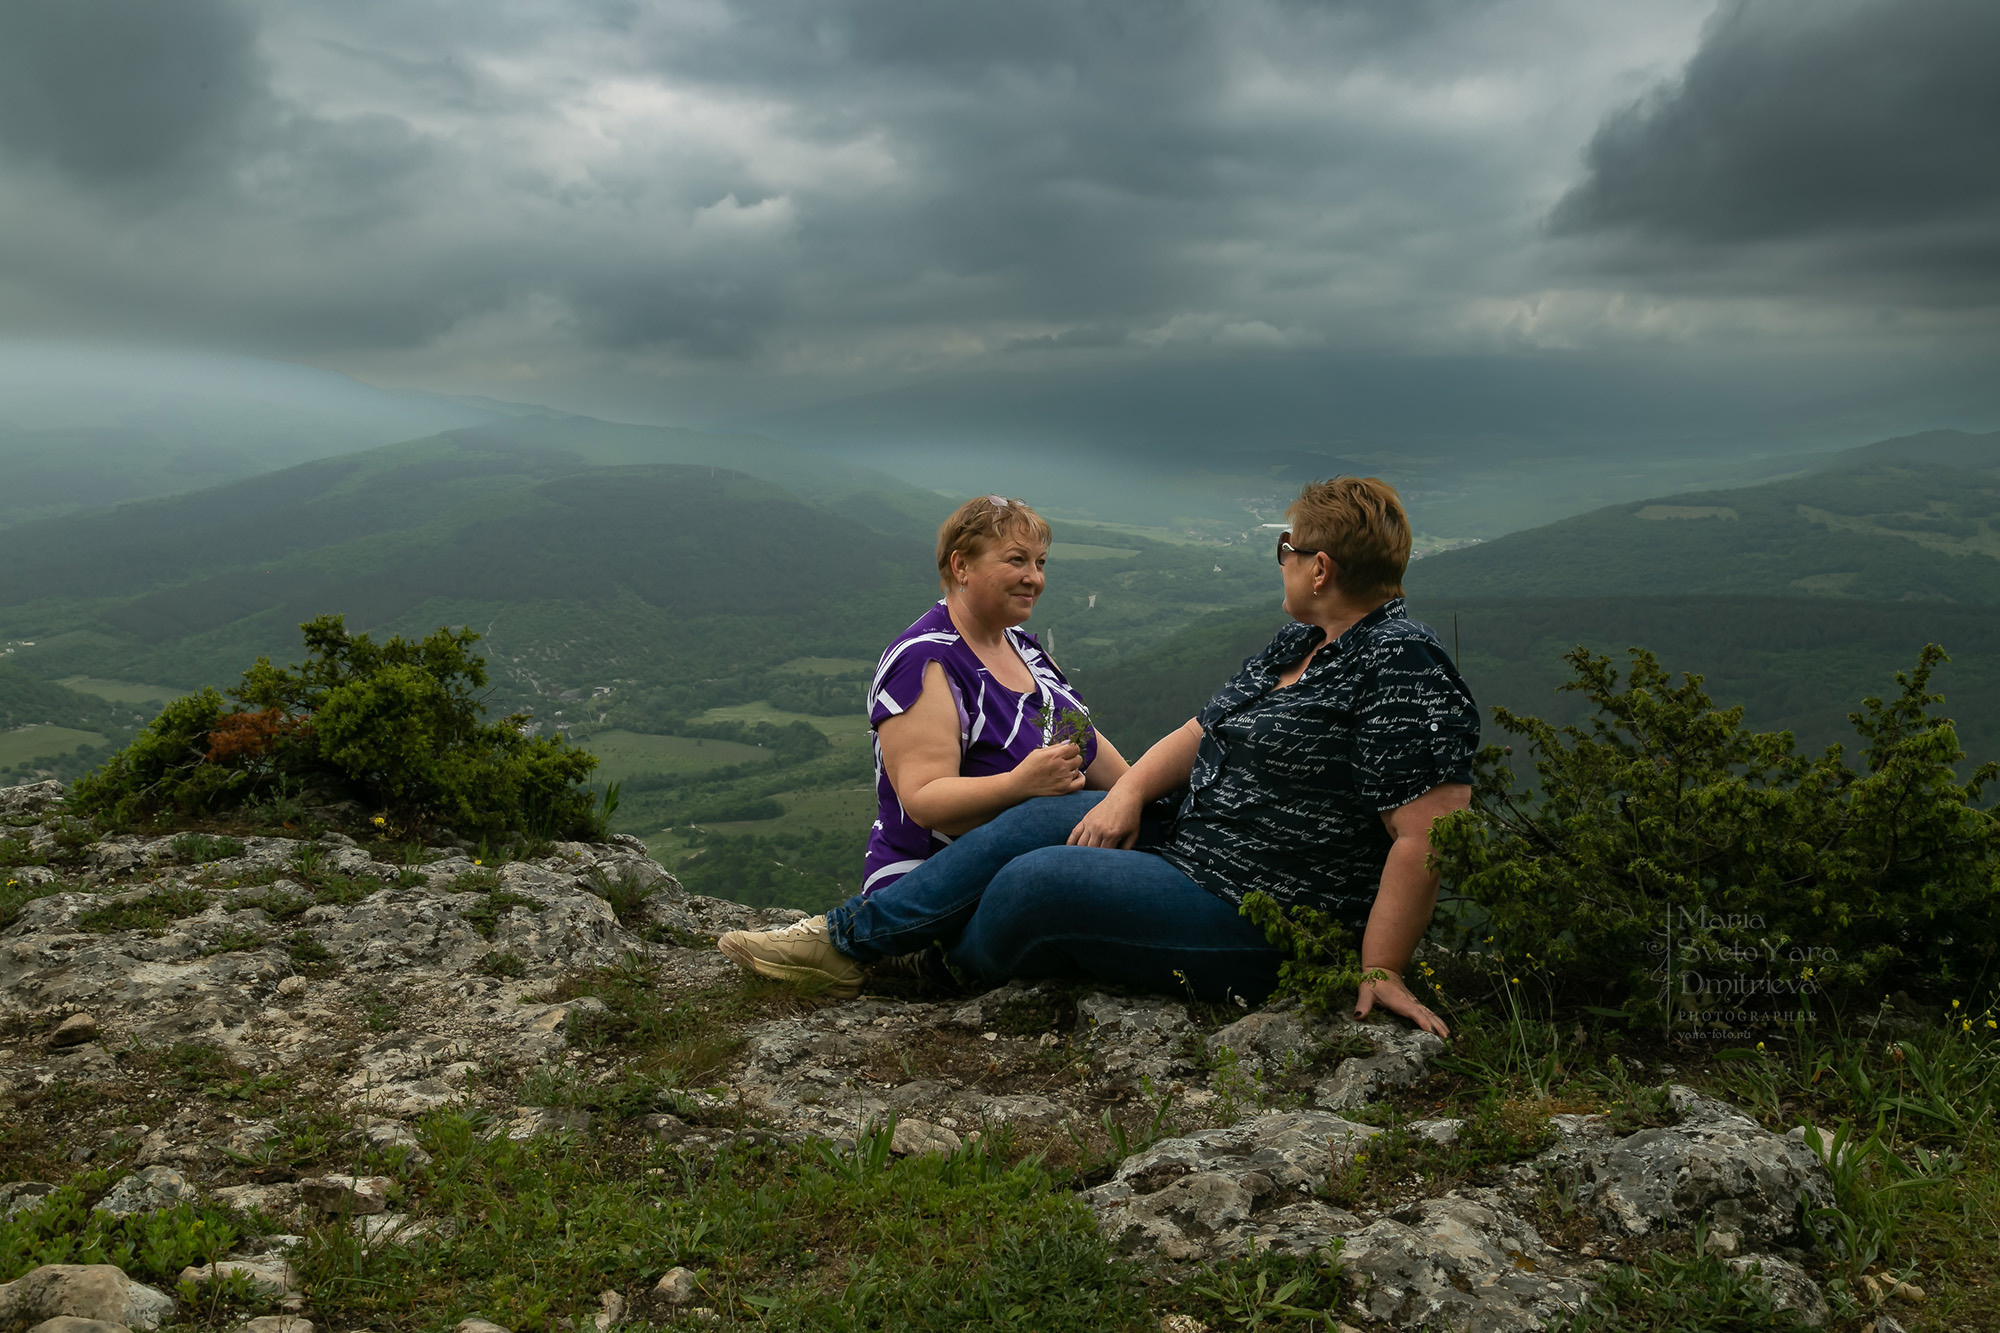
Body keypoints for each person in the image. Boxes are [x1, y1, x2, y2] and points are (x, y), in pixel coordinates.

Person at [722, 477, 1475, 1036]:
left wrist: (1381, 966)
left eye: (1287, 548)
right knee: (1047, 818)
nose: (1281, 560)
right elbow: (1201, 731)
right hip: (1195, 846)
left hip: (1262, 909)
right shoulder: (1303, 643)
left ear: (1320, 569)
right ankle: (848, 940)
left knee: (1042, 882)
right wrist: (1127, 794)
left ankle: (930, 962)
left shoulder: (1400, 665)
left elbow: (1429, 831)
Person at [718, 494, 1130, 995]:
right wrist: (1020, 784)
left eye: (1040, 563)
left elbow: (1092, 750)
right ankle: (868, 945)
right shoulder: (926, 661)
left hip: (1024, 867)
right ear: (961, 566)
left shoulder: (1026, 650)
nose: (1034, 578)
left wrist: (1141, 797)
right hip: (933, 892)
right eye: (1016, 560)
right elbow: (924, 800)